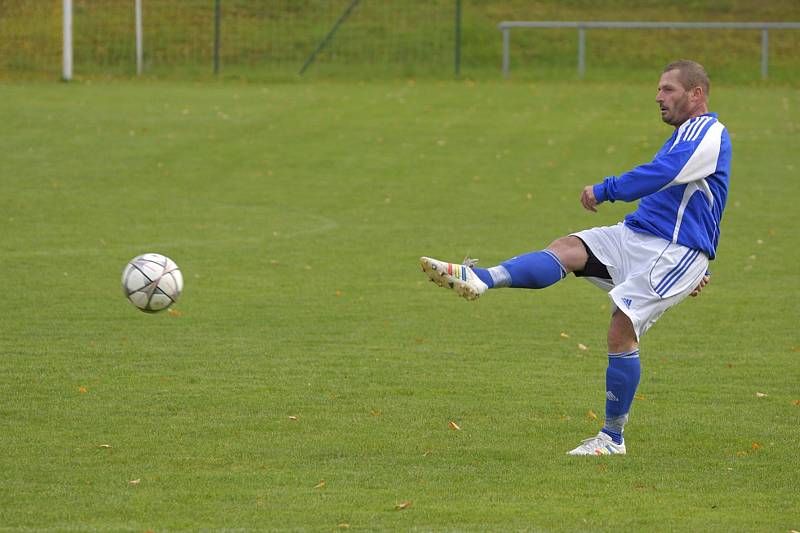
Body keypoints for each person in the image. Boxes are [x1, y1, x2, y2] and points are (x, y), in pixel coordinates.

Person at [420, 60, 731, 456]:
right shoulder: (688, 133)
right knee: (567, 248)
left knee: (622, 325)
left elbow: (664, 173)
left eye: (668, 89)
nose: (658, 97)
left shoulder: (708, 133)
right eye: (658, 89)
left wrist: (608, 189)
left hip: (674, 252)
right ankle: (481, 277)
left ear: (696, 94)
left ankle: (612, 438)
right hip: (638, 236)